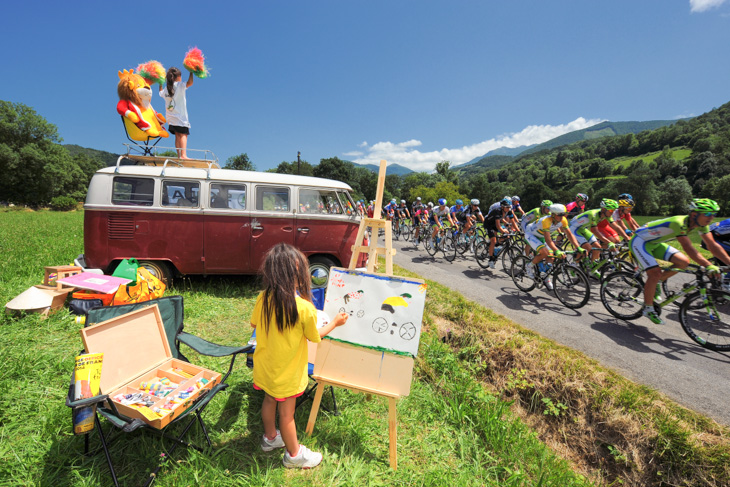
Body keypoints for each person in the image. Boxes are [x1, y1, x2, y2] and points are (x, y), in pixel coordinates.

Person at [251, 243, 349, 468]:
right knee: (287, 414)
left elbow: (253, 324)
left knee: (268, 400)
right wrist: (335, 322)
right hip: (287, 372)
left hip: (265, 366)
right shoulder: (304, 308)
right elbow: (315, 336)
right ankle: (294, 455)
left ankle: (269, 438)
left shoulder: (263, 297)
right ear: (297, 274)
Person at [630, 198, 730, 325]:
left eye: (714, 214)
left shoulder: (701, 225)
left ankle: (656, 284)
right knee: (654, 273)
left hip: (655, 243)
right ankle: (648, 308)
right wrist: (708, 265)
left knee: (683, 262)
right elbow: (688, 248)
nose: (711, 218)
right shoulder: (679, 223)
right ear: (694, 214)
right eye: (708, 214)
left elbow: (713, 245)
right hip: (640, 242)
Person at [523, 203, 584, 288]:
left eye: (563, 214)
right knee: (544, 252)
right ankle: (529, 266)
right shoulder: (546, 221)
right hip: (531, 234)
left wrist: (578, 247)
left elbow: (570, 235)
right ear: (553, 215)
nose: (562, 217)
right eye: (560, 215)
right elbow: (548, 240)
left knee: (551, 257)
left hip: (541, 236)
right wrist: (557, 250)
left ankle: (546, 277)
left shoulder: (563, 220)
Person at [159, 67, 194, 159]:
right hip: (180, 117)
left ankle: (179, 155)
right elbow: (190, 83)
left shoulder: (166, 89)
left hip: (170, 117)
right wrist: (191, 72)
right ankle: (183, 155)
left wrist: (160, 83)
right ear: (177, 77)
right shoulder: (180, 85)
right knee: (183, 135)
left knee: (177, 135)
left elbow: (160, 92)